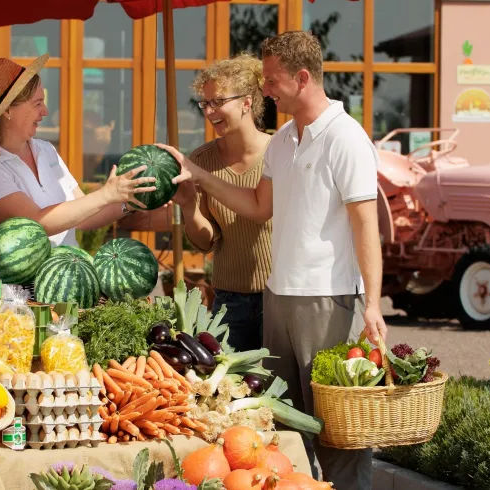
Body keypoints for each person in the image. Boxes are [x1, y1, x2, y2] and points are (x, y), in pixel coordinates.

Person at [158, 31, 388, 490]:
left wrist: (374, 303)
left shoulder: (346, 138)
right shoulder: (283, 141)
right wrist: (198, 176)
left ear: (302, 78)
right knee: (284, 432)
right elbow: (259, 206)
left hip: (330, 298)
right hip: (279, 297)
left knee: (337, 432)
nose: (264, 89)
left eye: (271, 80)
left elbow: (367, 225)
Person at [0, 54, 155, 267]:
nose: (45, 112)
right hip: (8, 293)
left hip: (66, 279)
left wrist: (130, 200)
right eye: (37, 104)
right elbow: (37, 223)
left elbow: (85, 216)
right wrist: (106, 194)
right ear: (8, 110)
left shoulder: (45, 150)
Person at [171, 53, 273, 353]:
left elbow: (260, 213)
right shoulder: (202, 160)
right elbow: (206, 242)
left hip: (278, 298)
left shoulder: (279, 152)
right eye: (205, 103)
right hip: (228, 302)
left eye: (218, 101)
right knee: (230, 393)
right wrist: (189, 206)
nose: (209, 110)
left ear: (247, 102)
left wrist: (201, 178)